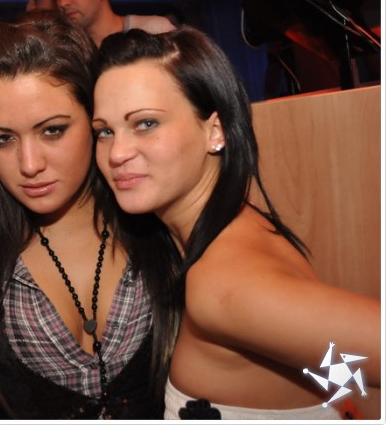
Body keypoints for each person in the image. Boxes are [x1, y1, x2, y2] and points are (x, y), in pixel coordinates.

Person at [91, 26, 381, 420]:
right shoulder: (237, 233)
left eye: (145, 123)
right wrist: (342, 405)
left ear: (215, 130)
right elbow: (325, 360)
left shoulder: (223, 282)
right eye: (105, 131)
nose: (117, 152)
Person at [0, 10, 179, 420]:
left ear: (95, 118)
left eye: (53, 130)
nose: (29, 164)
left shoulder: (165, 227)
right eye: (3, 139)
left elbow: (307, 356)